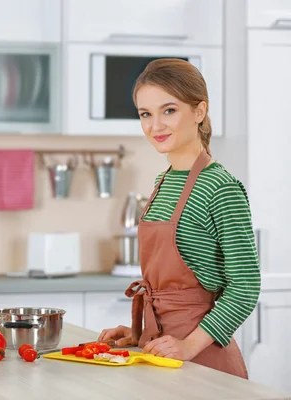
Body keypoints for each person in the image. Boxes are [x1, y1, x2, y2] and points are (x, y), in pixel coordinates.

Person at [97, 58, 260, 379]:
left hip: (202, 358)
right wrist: (138, 332)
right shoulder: (165, 180)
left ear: (199, 112)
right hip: (159, 350)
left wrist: (188, 346)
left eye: (168, 110)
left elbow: (245, 285)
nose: (155, 126)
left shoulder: (220, 187)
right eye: (146, 114)